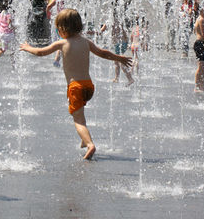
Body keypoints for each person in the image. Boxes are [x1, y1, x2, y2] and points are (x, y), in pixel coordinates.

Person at [20, 9, 132, 160]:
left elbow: (41, 52)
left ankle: (90, 144)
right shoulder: (86, 42)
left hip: (75, 87)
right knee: (80, 113)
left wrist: (28, 48)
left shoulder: (62, 43)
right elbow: (103, 53)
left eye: (58, 28)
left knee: (78, 120)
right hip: (88, 86)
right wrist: (119, 58)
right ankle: (83, 140)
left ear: (62, 29)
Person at [46, 0, 74, 67]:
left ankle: (61, 60)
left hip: (58, 21)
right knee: (65, 41)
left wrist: (49, 16)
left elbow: (48, 7)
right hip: (68, 21)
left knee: (63, 40)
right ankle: (57, 60)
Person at [101, 18, 135, 86]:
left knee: (119, 61)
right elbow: (124, 32)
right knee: (116, 61)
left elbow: (102, 30)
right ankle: (117, 78)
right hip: (123, 42)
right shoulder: (119, 20)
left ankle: (130, 79)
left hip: (119, 43)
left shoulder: (110, 20)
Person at [0, 4, 15, 69]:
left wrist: (0, 28)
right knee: (14, 50)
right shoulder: (9, 15)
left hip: (1, 34)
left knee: (1, 49)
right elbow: (9, 22)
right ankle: (14, 64)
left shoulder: (0, 14)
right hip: (9, 34)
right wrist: (13, 27)